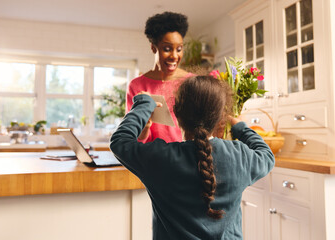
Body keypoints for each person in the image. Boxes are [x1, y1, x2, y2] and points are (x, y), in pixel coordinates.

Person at [110, 75, 275, 239]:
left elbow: (120, 141)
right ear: (220, 117)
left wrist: (144, 105)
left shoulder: (160, 158)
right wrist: (240, 127)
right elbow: (267, 155)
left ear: (176, 112)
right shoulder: (239, 157)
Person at [126, 11, 194, 143]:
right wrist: (144, 127)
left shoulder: (192, 82)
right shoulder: (137, 86)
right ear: (153, 48)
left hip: (185, 158)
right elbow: (132, 137)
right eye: (167, 49)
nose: (174, 56)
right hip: (151, 159)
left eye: (179, 49)